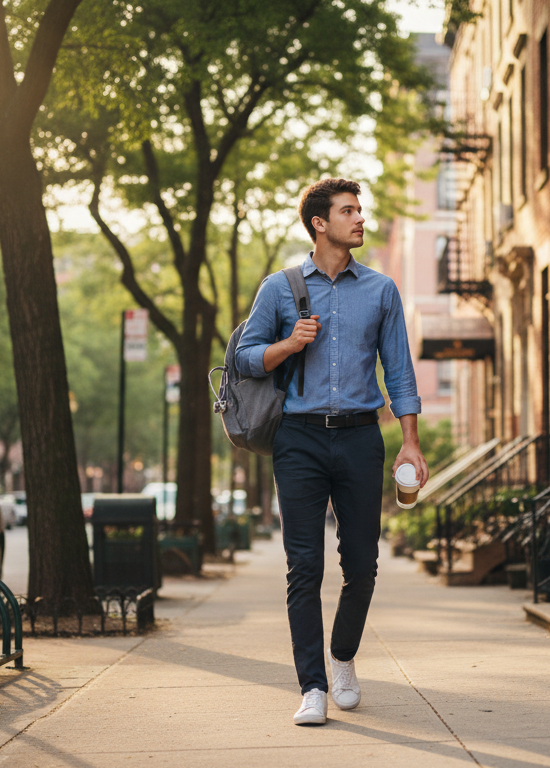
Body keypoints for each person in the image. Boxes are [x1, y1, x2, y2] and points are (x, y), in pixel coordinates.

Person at [235, 178, 428, 726]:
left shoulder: (381, 291)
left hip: (362, 435)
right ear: (320, 223)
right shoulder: (279, 288)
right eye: (349, 211)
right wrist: (289, 345)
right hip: (298, 439)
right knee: (304, 567)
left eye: (359, 211)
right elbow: (246, 358)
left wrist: (409, 440)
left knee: (362, 565)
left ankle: (342, 657)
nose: (360, 219)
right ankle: (312, 686)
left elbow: (400, 370)